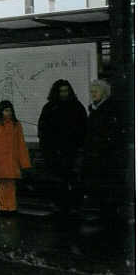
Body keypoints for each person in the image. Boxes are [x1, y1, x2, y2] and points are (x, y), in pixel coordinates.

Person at [37, 79, 87, 218]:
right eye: (61, 91)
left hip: (71, 151)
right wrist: (47, 149)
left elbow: (83, 129)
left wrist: (78, 147)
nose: (64, 94)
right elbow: (42, 130)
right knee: (58, 181)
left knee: (72, 181)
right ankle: (60, 206)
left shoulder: (77, 107)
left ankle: (72, 207)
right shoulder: (49, 108)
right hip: (54, 152)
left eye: (66, 91)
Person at [82, 79, 123, 227]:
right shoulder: (95, 109)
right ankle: (105, 216)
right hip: (96, 155)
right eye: (91, 91)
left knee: (107, 187)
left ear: (104, 93)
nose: (92, 94)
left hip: (106, 156)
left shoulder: (108, 109)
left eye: (95, 91)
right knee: (100, 187)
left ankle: (109, 218)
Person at [0, 100, 31, 213]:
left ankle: (9, 207)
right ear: (1, 111)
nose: (8, 113)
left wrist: (24, 163)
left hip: (9, 161)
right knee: (5, 185)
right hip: (2, 161)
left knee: (9, 185)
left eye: (10, 111)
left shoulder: (14, 125)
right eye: (6, 110)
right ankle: (5, 207)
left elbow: (21, 145)